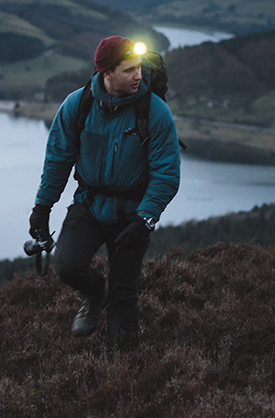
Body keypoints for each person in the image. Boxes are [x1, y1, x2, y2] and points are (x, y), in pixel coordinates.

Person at [29, 35, 181, 347]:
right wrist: (42, 207)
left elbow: (166, 173)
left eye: (139, 68)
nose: (138, 75)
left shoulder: (154, 111)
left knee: (124, 293)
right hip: (89, 203)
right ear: (107, 74)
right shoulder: (78, 105)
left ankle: (122, 372)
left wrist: (145, 220)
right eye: (129, 70)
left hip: (132, 213)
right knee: (67, 266)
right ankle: (96, 293)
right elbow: (58, 159)